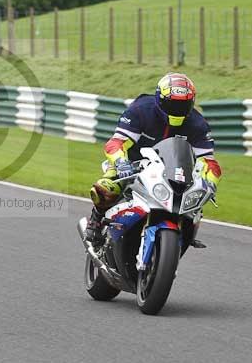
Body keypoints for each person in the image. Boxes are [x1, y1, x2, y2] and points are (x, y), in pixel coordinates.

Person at [84, 73, 222, 246]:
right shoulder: (141, 110)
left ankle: (184, 236)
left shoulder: (198, 124)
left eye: (182, 105)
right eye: (172, 104)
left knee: (195, 205)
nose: (176, 110)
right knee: (106, 187)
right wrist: (120, 162)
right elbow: (116, 142)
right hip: (133, 164)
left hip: (174, 172)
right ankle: (95, 221)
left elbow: (209, 162)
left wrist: (209, 182)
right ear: (160, 99)